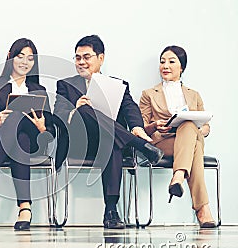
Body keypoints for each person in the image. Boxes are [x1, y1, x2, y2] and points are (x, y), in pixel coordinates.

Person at [54, 35, 164, 229]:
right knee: (85, 109)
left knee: (111, 141)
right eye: (77, 58)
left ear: (101, 58)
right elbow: (58, 115)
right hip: (78, 145)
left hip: (108, 143)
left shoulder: (117, 85)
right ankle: (138, 145)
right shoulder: (65, 85)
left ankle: (111, 211)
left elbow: (131, 110)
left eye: (86, 57)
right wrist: (75, 109)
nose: (81, 62)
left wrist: (138, 128)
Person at [0, 38, 55, 230]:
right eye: (20, 56)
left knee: (24, 132)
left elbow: (50, 130)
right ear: (10, 57)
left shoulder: (39, 90)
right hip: (0, 140)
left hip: (35, 141)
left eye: (30, 58)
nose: (25, 62)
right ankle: (25, 208)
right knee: (21, 138)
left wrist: (42, 127)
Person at [139, 45, 216, 228]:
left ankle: (178, 176)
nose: (165, 65)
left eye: (171, 61)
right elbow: (141, 127)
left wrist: (200, 130)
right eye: (162, 61)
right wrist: (155, 126)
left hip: (188, 140)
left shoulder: (193, 95)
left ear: (181, 67)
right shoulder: (148, 94)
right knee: (194, 145)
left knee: (189, 126)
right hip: (162, 142)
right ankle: (202, 210)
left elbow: (205, 126)